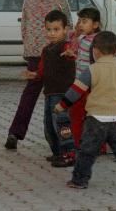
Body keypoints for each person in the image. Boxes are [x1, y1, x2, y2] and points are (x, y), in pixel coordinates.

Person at [54, 31, 116, 190]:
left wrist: (60, 106)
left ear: (95, 50)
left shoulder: (91, 70)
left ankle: (79, 180)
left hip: (96, 120)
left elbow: (75, 92)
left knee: (87, 152)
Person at [5, 0, 72, 150]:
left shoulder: (28, 1)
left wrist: (30, 48)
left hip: (34, 54)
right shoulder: (60, 1)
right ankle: (64, 137)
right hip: (56, 53)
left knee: (30, 95)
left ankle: (15, 133)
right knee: (59, 94)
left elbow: (24, 29)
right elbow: (69, 28)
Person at [23, 10, 76, 167]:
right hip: (49, 93)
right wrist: (33, 75)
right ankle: (58, 152)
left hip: (63, 93)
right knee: (49, 124)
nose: (52, 33)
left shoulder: (65, 46)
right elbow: (42, 71)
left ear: (65, 29)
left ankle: (70, 153)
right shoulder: (46, 50)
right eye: (49, 29)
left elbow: (72, 53)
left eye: (56, 29)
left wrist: (70, 53)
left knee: (61, 123)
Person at [63, 7, 101, 149]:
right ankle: (81, 142)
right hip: (80, 84)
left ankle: (82, 144)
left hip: (90, 86)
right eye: (79, 21)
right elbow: (82, 59)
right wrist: (73, 56)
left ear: (95, 25)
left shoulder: (97, 41)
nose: (80, 24)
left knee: (87, 115)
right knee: (79, 114)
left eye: (84, 21)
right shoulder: (83, 38)